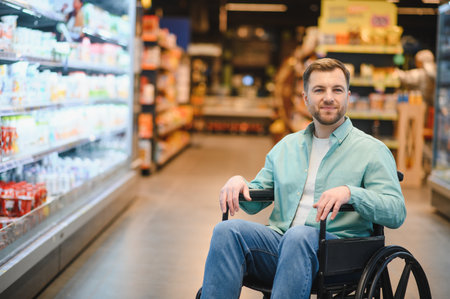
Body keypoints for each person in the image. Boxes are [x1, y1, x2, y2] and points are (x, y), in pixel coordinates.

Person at [199, 58, 406, 299]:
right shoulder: (286, 146)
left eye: (337, 90)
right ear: (305, 98)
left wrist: (351, 193)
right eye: (319, 90)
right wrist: (239, 184)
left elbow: (396, 211)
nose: (328, 97)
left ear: (347, 96)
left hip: (338, 253)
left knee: (300, 236)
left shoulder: (372, 150)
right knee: (227, 230)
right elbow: (255, 201)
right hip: (281, 244)